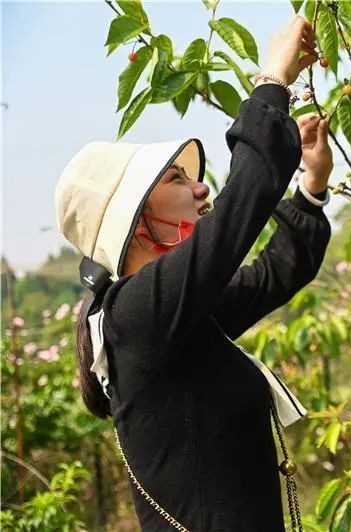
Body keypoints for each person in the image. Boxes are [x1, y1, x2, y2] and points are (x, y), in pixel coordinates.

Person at [54, 15, 332, 531]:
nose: (202, 189)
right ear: (137, 222)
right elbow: (239, 208)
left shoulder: (177, 318)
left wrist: (311, 187)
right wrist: (272, 80)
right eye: (179, 180)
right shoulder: (136, 315)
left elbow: (277, 273)